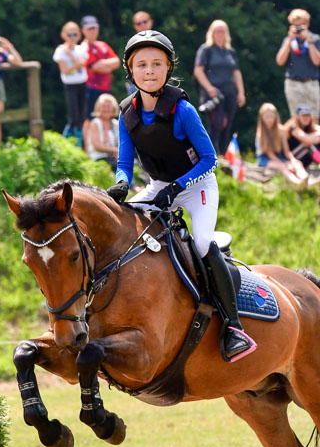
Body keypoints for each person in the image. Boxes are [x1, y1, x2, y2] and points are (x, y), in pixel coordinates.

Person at [107, 30, 256, 362]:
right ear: (130, 71)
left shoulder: (183, 109)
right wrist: (121, 184)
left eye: (157, 64)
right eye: (142, 65)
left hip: (197, 186)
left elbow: (210, 159)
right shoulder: (126, 113)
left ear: (168, 68)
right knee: (125, 233)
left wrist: (177, 188)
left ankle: (233, 327)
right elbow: (123, 162)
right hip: (160, 185)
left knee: (202, 244)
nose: (149, 71)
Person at [193, 20, 246, 155]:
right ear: (212, 33)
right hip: (213, 95)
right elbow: (198, 71)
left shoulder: (230, 51)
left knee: (227, 126)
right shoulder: (206, 50)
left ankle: (223, 155)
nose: (220, 34)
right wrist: (209, 88)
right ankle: (210, 156)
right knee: (216, 125)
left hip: (230, 93)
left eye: (223, 31)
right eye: (217, 31)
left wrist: (241, 92)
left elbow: (236, 72)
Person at [80, 15, 120, 145]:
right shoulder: (84, 47)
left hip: (105, 87)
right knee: (89, 117)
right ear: (83, 30)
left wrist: (102, 64)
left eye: (94, 28)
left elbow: (117, 61)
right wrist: (105, 66)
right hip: (91, 87)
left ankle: (107, 144)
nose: (93, 31)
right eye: (89, 29)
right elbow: (94, 67)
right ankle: (87, 148)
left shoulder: (102, 45)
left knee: (107, 116)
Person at [276, 9, 320, 121]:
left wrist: (308, 41)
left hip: (311, 84)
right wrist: (289, 40)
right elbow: (280, 61)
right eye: (296, 26)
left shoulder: (315, 39)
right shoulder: (288, 40)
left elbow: (317, 61)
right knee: (296, 119)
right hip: (293, 84)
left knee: (313, 118)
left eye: (301, 25)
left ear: (308, 24)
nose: (298, 28)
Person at [255, 102, 309, 186]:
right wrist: (284, 164)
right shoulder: (261, 133)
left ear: (275, 117)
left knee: (297, 164)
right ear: (262, 118)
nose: (269, 120)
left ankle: (305, 179)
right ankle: (297, 183)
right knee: (283, 167)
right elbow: (270, 154)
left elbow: (287, 151)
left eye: (271, 117)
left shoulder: (281, 130)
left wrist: (292, 160)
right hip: (265, 159)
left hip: (278, 156)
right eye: (267, 117)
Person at [53, 21, 88, 145]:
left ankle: (78, 140)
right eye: (69, 35)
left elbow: (82, 64)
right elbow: (65, 70)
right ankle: (67, 139)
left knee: (82, 115)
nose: (72, 38)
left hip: (82, 84)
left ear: (79, 35)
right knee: (73, 115)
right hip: (70, 85)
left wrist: (69, 53)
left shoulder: (81, 48)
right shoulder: (60, 51)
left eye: (74, 34)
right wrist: (76, 62)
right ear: (64, 35)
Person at [86, 93, 119, 169]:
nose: (106, 109)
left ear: (113, 108)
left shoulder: (116, 124)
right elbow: (97, 145)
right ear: (98, 108)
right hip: (98, 158)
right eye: (103, 106)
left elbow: (120, 142)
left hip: (113, 158)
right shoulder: (95, 123)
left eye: (108, 106)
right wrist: (115, 150)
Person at [126, 12, 154, 95]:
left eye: (145, 22)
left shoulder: (160, 41)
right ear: (135, 26)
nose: (142, 25)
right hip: (136, 84)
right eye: (139, 23)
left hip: (156, 80)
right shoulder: (131, 43)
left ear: (151, 22)